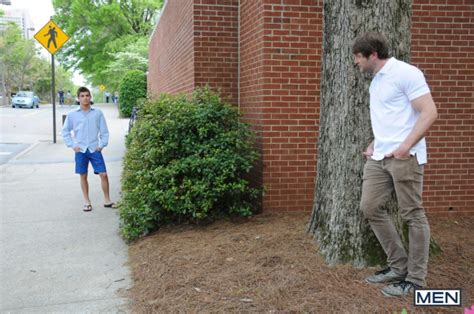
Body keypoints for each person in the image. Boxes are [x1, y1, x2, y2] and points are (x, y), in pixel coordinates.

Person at [352, 32, 437, 297]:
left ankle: (415, 280)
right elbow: (391, 117)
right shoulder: (376, 81)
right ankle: (398, 266)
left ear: (372, 55)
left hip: (404, 157)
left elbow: (429, 112)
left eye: (357, 57)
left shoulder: (407, 73)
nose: (356, 62)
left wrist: (405, 146)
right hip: (379, 157)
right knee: (370, 207)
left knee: (412, 214)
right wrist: (375, 143)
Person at [61, 86, 117, 212]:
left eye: (87, 95)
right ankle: (87, 201)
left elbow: (104, 131)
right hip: (80, 150)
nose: (85, 98)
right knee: (83, 176)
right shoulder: (72, 115)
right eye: (82, 96)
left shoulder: (97, 113)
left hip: (94, 149)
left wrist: (102, 145)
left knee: (103, 174)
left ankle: (107, 200)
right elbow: (65, 132)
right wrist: (72, 145)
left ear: (90, 97)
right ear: (78, 98)